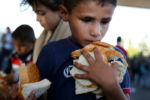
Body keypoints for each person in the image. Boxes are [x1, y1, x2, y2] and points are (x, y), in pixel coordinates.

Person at [27, 0, 131, 100]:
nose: (96, 32)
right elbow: (34, 92)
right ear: (64, 13)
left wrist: (111, 86)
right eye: (87, 20)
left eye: (105, 21)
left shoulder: (115, 58)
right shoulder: (51, 53)